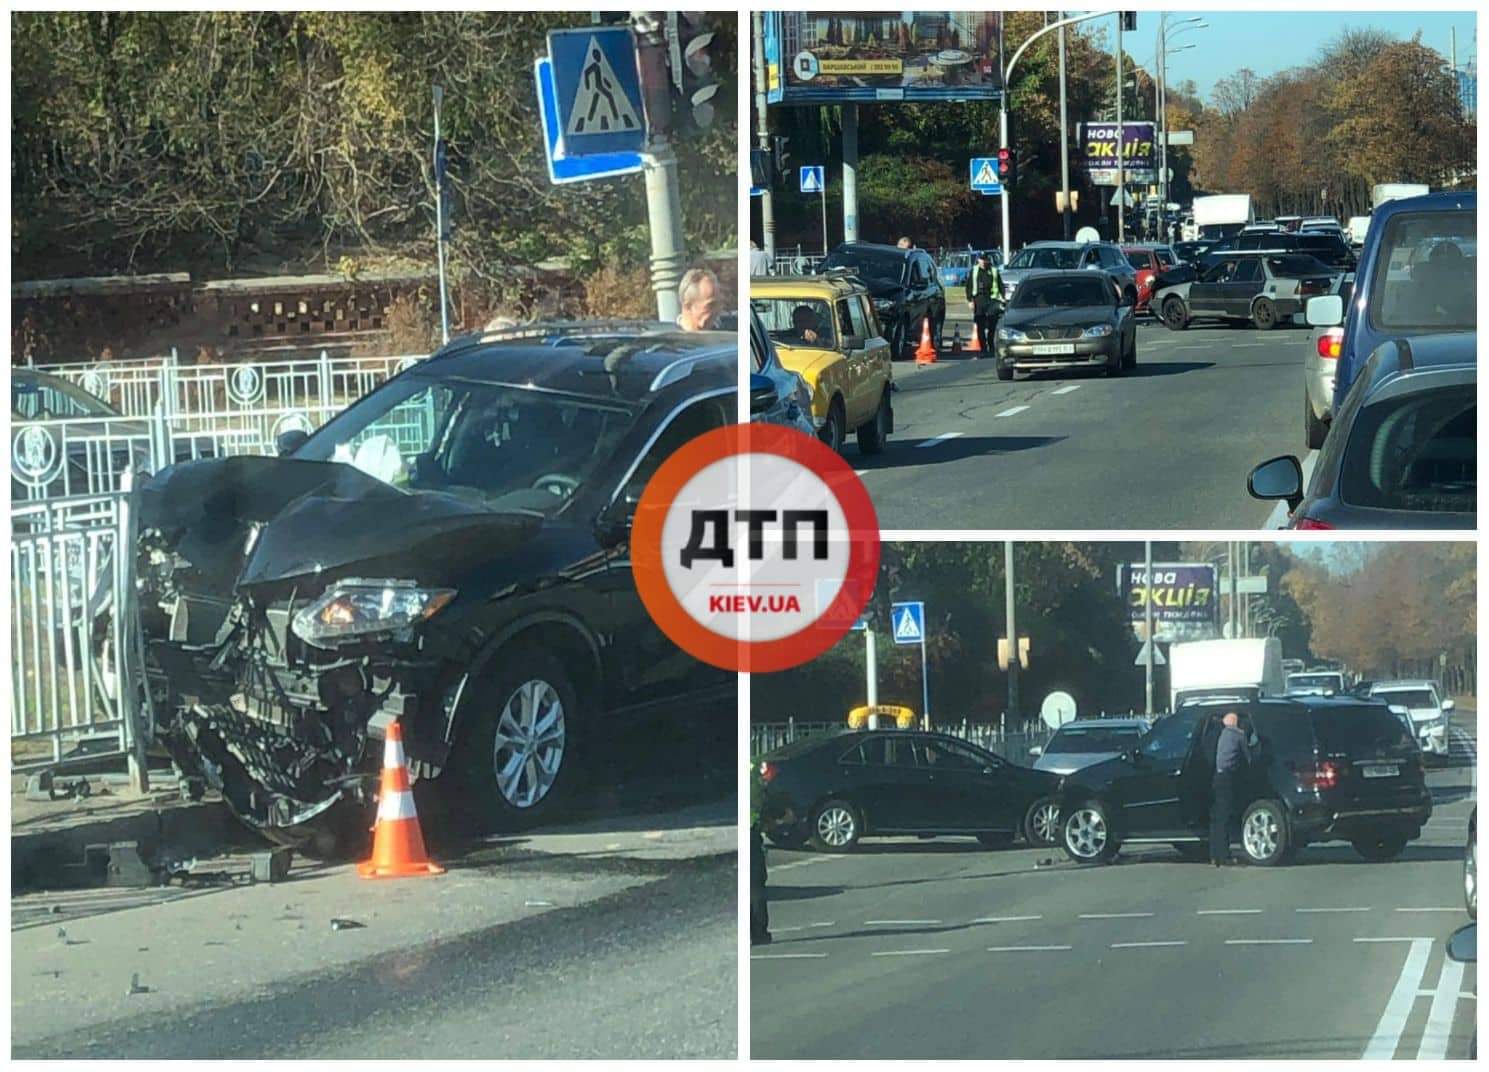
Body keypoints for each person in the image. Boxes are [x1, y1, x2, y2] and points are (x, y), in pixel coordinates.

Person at [1211, 711, 1250, 866]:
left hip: (1217, 777)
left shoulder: (1220, 735)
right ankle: (1224, 856)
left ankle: (1214, 854)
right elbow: (1247, 757)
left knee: (1217, 818)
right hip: (1227, 778)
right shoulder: (1238, 735)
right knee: (1225, 816)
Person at [965, 250, 1003, 353]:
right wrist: (970, 300)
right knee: (980, 324)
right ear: (978, 260)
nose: (983, 262)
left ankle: (991, 343)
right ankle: (983, 346)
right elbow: (968, 286)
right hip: (979, 299)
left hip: (992, 299)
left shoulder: (994, 270)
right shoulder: (974, 271)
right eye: (981, 260)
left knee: (992, 323)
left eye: (984, 260)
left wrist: (1002, 299)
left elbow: (1000, 285)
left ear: (987, 260)